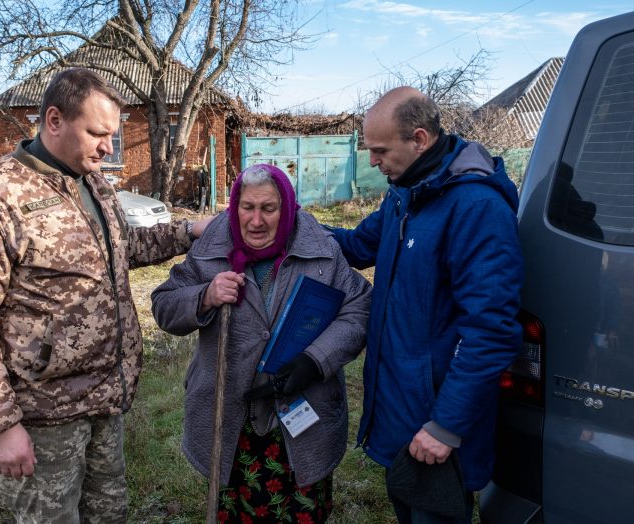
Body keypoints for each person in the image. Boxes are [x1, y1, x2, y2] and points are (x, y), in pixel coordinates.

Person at [0, 68, 210, 523]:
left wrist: (190, 231)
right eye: (98, 133)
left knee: (108, 514)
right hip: (41, 416)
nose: (108, 148)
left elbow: (121, 248)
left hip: (105, 400)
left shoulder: (93, 183)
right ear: (54, 120)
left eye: (113, 136)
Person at [329, 87, 524, 523]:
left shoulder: (477, 209)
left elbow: (490, 332)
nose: (374, 161)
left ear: (419, 139)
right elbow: (359, 245)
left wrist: (446, 426)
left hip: (437, 424)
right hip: (399, 410)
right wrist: (293, 225)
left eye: (380, 150)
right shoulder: (405, 192)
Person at [151, 164, 371, 523]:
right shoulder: (212, 247)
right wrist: (204, 296)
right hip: (231, 421)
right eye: (247, 207)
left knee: (302, 511)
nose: (256, 220)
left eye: (269, 208)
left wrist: (315, 361)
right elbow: (163, 305)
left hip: (302, 418)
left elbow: (359, 306)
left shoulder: (320, 249)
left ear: (287, 208)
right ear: (235, 205)